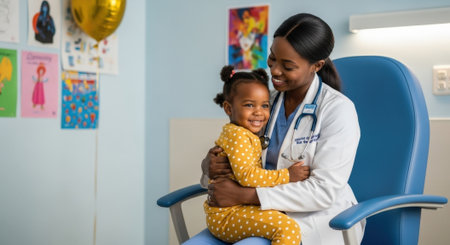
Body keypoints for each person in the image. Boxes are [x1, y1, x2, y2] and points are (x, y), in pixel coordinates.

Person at [187, 13, 366, 245]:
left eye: (287, 66)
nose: (275, 71)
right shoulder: (263, 104)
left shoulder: (338, 110)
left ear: (317, 66)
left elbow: (323, 192)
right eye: (272, 59)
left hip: (313, 222)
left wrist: (246, 196)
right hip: (254, 215)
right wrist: (210, 166)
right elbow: (238, 158)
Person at [203, 65, 310, 245]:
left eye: (265, 105)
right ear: (228, 109)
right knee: (288, 229)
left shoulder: (243, 133)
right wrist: (287, 175)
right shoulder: (239, 136)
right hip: (228, 214)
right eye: (249, 105)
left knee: (287, 222)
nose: (259, 112)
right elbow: (248, 176)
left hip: (238, 208)